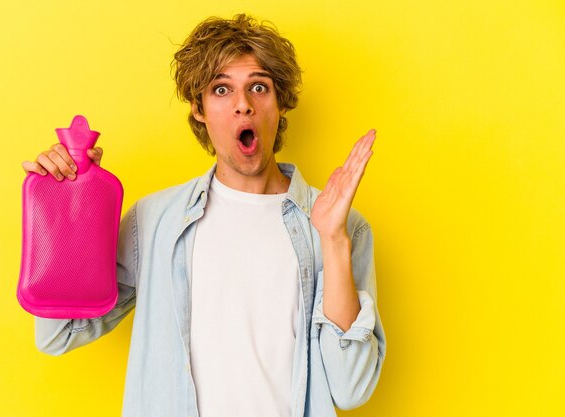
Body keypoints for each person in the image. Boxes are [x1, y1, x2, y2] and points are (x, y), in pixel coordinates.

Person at [23, 14, 386, 417]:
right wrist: (68, 207)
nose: (243, 104)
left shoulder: (341, 225)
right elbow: (58, 333)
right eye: (221, 89)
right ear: (199, 109)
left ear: (279, 104)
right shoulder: (155, 221)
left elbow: (351, 388)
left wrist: (333, 241)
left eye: (259, 87)